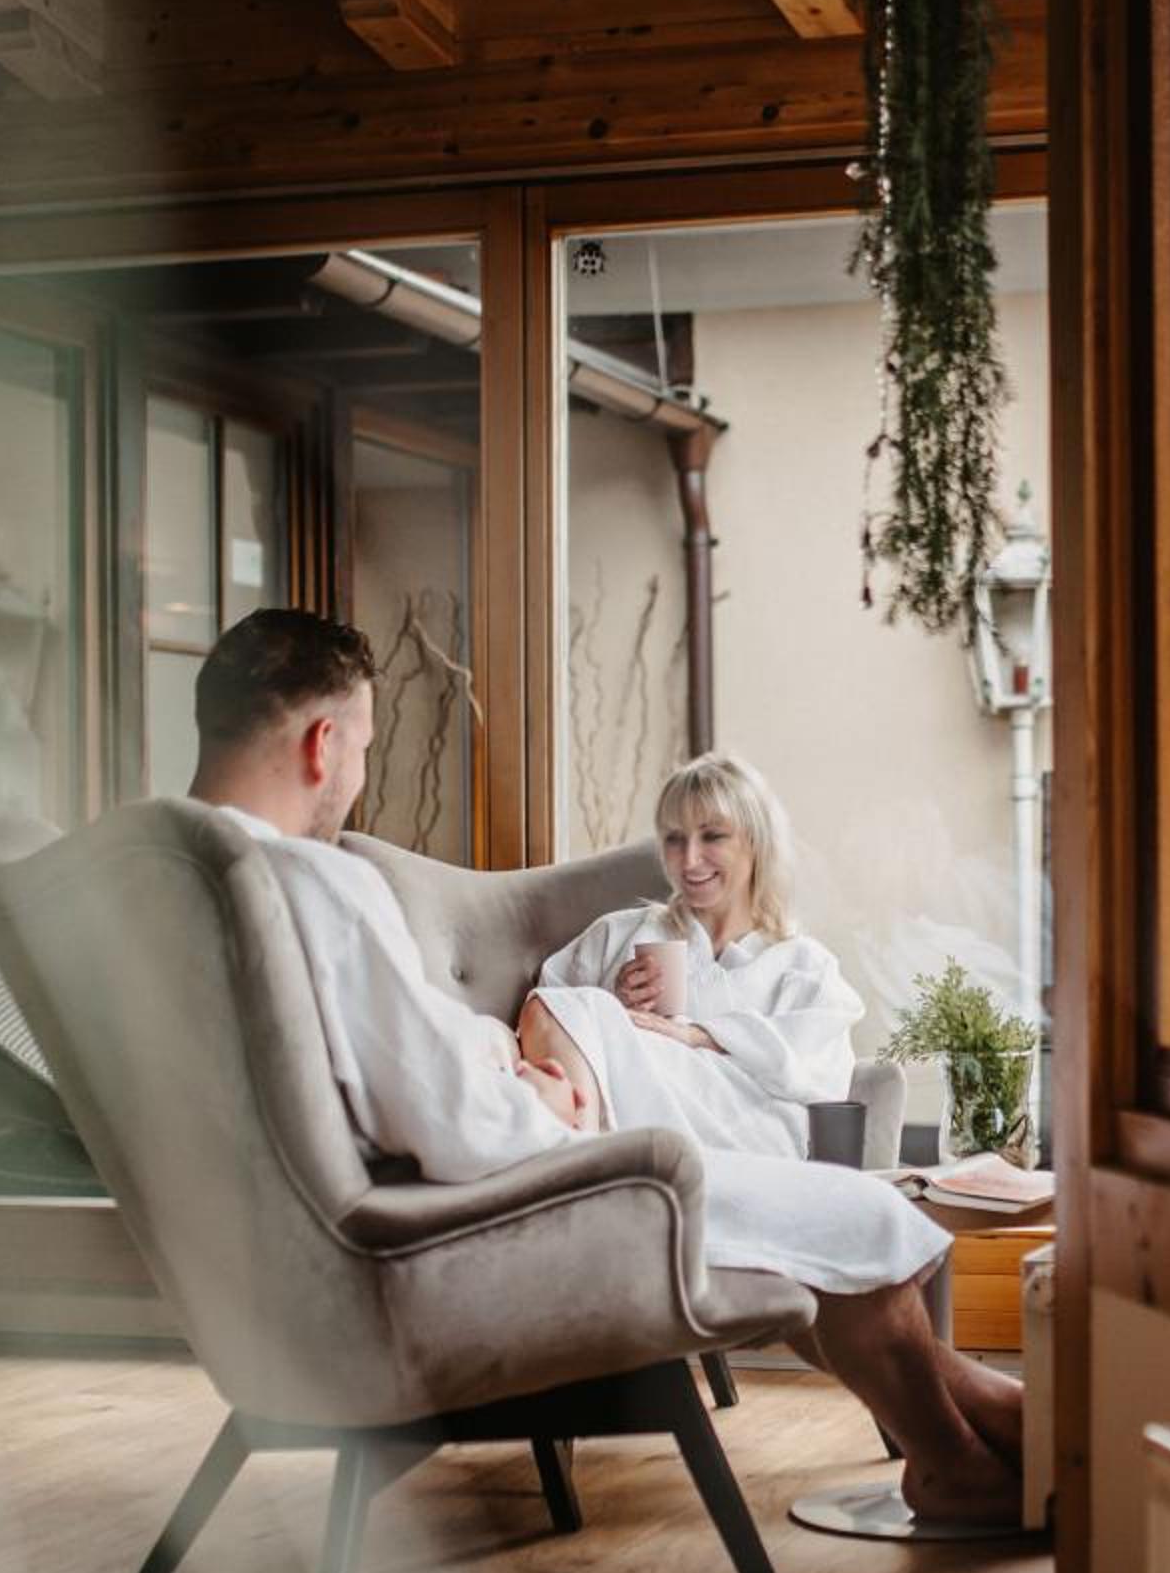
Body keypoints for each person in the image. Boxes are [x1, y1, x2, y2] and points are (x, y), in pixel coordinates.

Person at [186, 610, 1023, 1523]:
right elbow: (462, 1126)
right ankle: (954, 1462)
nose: (357, 777)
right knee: (857, 1216)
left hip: (368, 1233)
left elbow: (406, 1087)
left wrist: (512, 1059)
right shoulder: (321, 886)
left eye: (714, 838)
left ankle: (996, 1415)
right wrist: (539, 1089)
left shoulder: (177, 884)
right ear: (323, 745)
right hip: (536, 1189)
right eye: (364, 750)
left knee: (826, 1224)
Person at [520, 753, 861, 1159]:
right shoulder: (620, 935)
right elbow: (544, 1029)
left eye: (712, 836)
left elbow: (824, 1083)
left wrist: (701, 1036)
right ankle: (585, 1167)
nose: (690, 859)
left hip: (748, 1135)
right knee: (552, 1008)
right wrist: (615, 1006)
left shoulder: (805, 965)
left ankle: (581, 1166)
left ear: (756, 842)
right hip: (626, 1121)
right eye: (674, 839)